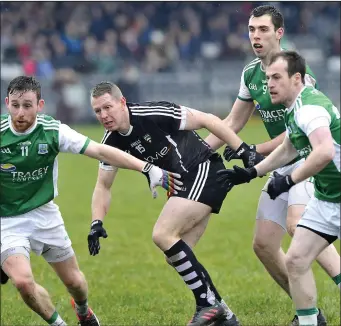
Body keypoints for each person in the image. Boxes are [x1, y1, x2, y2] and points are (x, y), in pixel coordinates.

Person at [0, 76, 182, 326]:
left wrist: (148, 168)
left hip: (44, 215)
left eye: (28, 105)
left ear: (40, 105)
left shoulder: (53, 131)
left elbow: (100, 150)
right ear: (7, 103)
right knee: (22, 281)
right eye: (16, 105)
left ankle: (83, 311)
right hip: (7, 220)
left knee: (75, 283)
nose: (21, 113)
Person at [87, 81, 265, 326]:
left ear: (122, 102)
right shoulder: (110, 141)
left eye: (107, 107)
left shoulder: (153, 114)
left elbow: (208, 119)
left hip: (204, 169)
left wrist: (243, 150)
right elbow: (102, 185)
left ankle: (208, 304)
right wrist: (97, 222)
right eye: (97, 111)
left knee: (163, 234)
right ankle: (224, 314)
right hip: (184, 186)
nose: (103, 115)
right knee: (176, 257)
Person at [204, 5, 339, 324]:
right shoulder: (251, 74)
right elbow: (234, 122)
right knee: (265, 246)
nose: (255, 36)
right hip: (284, 165)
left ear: (279, 33)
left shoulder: (301, 83)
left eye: (262, 29)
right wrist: (195, 155)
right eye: (251, 30)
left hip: (307, 165)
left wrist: (256, 153)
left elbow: (307, 143)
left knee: (299, 226)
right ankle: (309, 314)